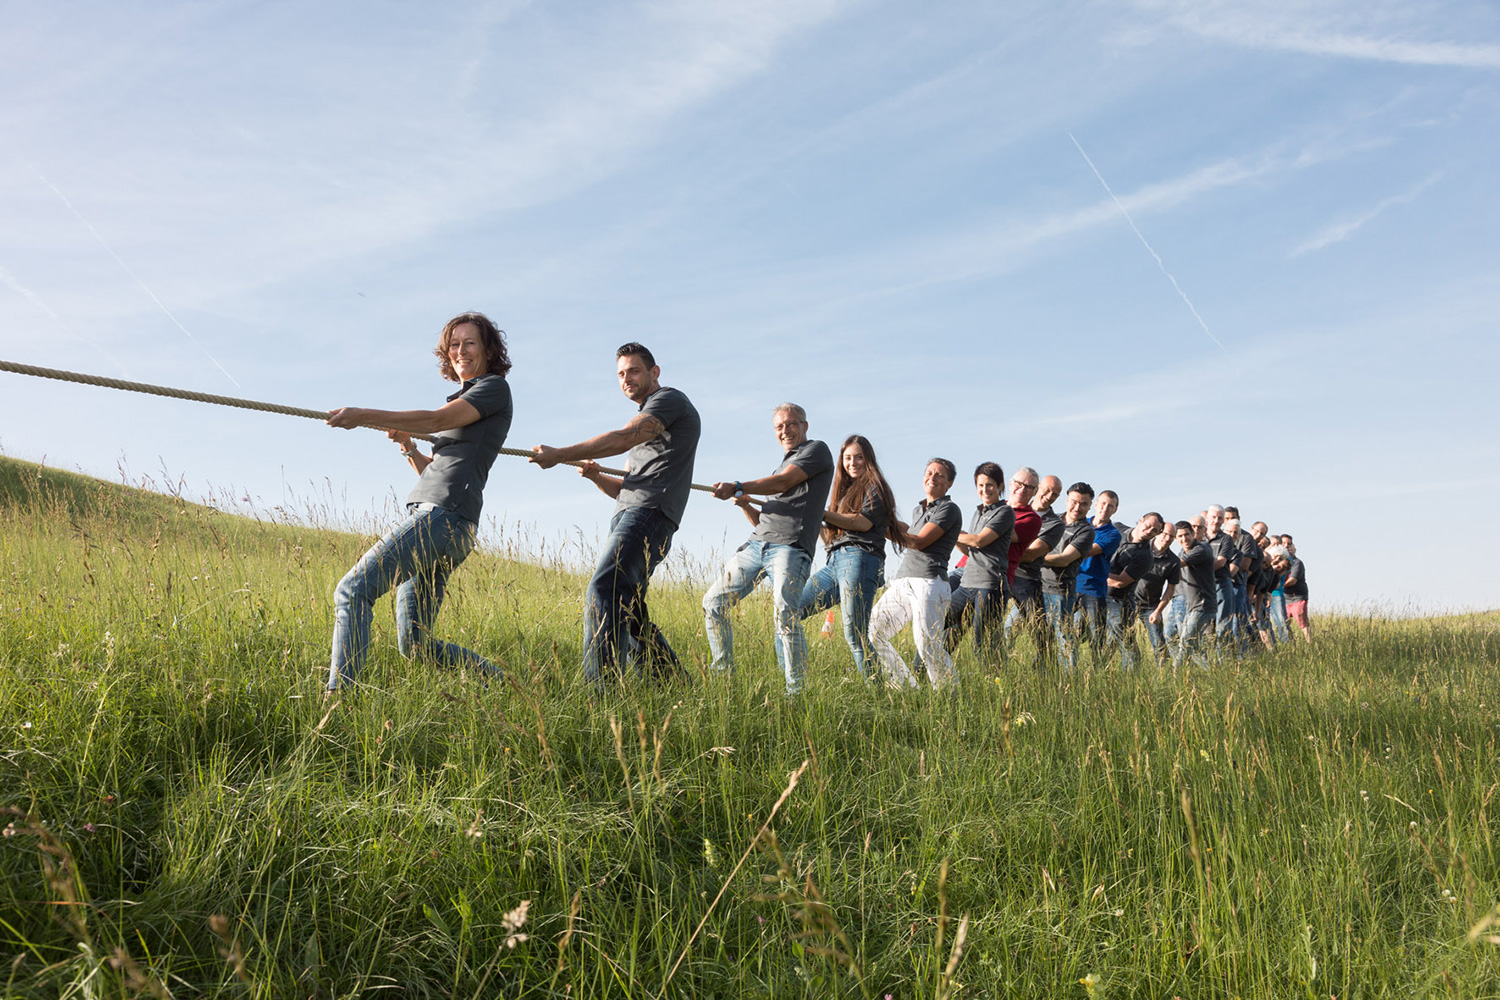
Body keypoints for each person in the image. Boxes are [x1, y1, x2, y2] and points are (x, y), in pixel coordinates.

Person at [324, 312, 512, 692]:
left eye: (470, 342)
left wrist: (363, 415)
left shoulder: (492, 389)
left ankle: (339, 700)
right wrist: (409, 447)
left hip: (442, 519)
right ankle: (502, 683)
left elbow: (431, 418)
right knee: (415, 645)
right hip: (448, 523)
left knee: (352, 590)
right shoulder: (466, 399)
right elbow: (437, 470)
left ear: (489, 350)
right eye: (454, 344)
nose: (460, 351)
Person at [531, 342, 700, 686]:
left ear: (654, 372)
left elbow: (624, 437)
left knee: (604, 589)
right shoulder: (648, 423)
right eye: (621, 374)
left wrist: (561, 453)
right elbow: (625, 490)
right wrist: (596, 477)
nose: (627, 378)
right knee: (629, 611)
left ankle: (601, 693)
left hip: (650, 514)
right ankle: (675, 684)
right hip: (632, 512)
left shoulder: (669, 401)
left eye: (634, 371)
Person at [703, 404, 834, 694]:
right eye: (779, 427)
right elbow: (766, 519)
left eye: (791, 424)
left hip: (790, 547)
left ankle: (796, 693)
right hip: (757, 544)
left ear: (805, 425)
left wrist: (737, 484)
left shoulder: (817, 451)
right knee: (713, 602)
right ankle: (724, 680)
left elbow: (784, 481)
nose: (785, 431)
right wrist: (746, 502)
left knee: (785, 617)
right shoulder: (782, 464)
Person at [797, 435, 901, 679]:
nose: (852, 462)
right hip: (834, 561)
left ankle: (876, 693)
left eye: (858, 457)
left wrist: (820, 512)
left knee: (855, 634)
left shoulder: (876, 488)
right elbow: (830, 538)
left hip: (860, 559)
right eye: (847, 458)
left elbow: (862, 524)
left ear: (869, 459)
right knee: (791, 610)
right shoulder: (842, 493)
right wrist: (808, 515)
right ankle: (798, 679)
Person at [869, 459, 963, 689]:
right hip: (903, 581)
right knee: (872, 632)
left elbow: (919, 542)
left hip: (929, 583)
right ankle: (908, 687)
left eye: (940, 475)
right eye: (929, 472)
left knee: (928, 646)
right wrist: (881, 517)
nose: (932, 477)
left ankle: (950, 695)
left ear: (949, 483)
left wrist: (879, 528)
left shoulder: (949, 509)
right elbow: (907, 530)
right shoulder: (918, 509)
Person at [945, 462, 1015, 665]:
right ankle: (921, 675)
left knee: (981, 643)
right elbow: (971, 549)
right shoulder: (979, 512)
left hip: (990, 586)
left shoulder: (1004, 512)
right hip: (967, 584)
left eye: (990, 485)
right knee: (937, 625)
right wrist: (956, 539)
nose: (985, 490)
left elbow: (978, 541)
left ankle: (995, 685)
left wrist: (949, 532)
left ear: (1000, 485)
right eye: (980, 485)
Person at [1040, 482, 1096, 671]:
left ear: (1090, 506)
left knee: (1063, 637)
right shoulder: (1051, 520)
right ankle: (1042, 674)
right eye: (1074, 502)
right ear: (1066, 500)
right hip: (1034, 585)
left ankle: (1070, 680)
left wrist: (1029, 558)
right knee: (1024, 632)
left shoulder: (1086, 531)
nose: (1077, 508)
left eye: (1083, 504)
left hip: (1059, 591)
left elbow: (1064, 559)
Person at [1007, 474, 1062, 660]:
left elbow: (1031, 554)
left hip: (1026, 577)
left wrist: (997, 550)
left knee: (1040, 632)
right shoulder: (1012, 507)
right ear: (1037, 488)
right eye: (1047, 490)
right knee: (1000, 628)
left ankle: (1045, 672)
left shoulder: (1055, 523)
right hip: (1001, 570)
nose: (1049, 496)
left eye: (1055, 494)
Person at [1105, 512, 1162, 669]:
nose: (1150, 531)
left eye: (1155, 531)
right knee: (1104, 641)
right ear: (1141, 520)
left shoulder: (1145, 556)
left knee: (1125, 640)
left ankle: (1132, 674)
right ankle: (1100, 671)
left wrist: (1095, 572)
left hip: (1120, 601)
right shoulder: (1117, 528)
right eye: (1148, 526)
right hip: (1097, 594)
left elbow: (1120, 582)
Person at [1075, 490, 1122, 662]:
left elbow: (1086, 552)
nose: (1105, 508)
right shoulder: (1080, 524)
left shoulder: (1113, 534)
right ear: (1095, 505)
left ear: (1115, 510)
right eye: (1102, 503)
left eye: (1110, 506)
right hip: (1071, 585)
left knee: (1097, 637)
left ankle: (1097, 672)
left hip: (1093, 589)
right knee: (1072, 632)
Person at [1173, 518, 1217, 668]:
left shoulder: (1201, 549)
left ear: (1193, 534)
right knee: (1195, 646)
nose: (1184, 539)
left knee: (1185, 642)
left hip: (1203, 605)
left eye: (1187, 534)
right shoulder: (1182, 551)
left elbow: (1177, 564)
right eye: (1179, 536)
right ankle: (1213, 674)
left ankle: (1175, 673)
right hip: (1191, 605)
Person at [1135, 519, 1181, 661]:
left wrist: (1158, 611)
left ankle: (1162, 675)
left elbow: (1170, 590)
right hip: (1129, 601)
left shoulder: (1173, 561)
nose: (1167, 539)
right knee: (1123, 640)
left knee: (1159, 646)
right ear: (1158, 533)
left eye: (1171, 537)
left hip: (1151, 606)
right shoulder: (1139, 547)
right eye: (1165, 534)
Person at [1282, 537, 1311, 641]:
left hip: (1297, 597)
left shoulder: (1297, 563)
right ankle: (1289, 644)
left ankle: (1309, 643)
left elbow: (1292, 580)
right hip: (1285, 598)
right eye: (1283, 543)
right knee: (1284, 623)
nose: (1286, 546)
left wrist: (1278, 586)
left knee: (1301, 620)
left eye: (1289, 544)